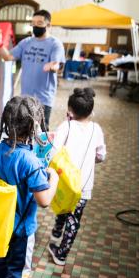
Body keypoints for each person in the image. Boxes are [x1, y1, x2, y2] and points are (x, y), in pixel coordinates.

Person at [0, 96, 59, 278]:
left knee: (1, 264)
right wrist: (53, 179)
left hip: (1, 224)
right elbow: (44, 200)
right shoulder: (30, 161)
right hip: (21, 228)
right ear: (34, 125)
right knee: (16, 271)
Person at [48, 88, 106, 266]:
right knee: (74, 219)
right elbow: (101, 155)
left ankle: (57, 230)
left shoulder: (66, 126)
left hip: (63, 181)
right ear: (91, 111)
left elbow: (53, 153)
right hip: (83, 185)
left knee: (63, 203)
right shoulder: (96, 129)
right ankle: (62, 254)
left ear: (70, 111)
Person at [0, 9, 65, 130]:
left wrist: (53, 67)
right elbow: (8, 57)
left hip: (44, 98)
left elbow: (56, 64)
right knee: (24, 129)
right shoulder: (26, 43)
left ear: (49, 25)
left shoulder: (55, 44)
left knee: (41, 130)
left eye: (40, 23)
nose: (35, 26)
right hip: (25, 97)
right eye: (33, 23)